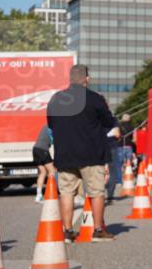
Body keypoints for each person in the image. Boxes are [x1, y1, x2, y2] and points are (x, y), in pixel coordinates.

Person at [46, 64, 118, 242]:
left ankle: (68, 232)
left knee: (67, 193)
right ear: (87, 79)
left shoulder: (56, 99)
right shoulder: (95, 99)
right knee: (96, 192)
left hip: (65, 155)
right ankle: (98, 230)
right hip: (91, 154)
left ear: (70, 79)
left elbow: (51, 124)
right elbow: (109, 122)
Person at [32, 124, 56, 202]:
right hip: (43, 150)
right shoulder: (53, 127)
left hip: (35, 149)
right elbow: (54, 141)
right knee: (52, 171)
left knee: (43, 172)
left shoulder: (45, 126)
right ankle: (50, 193)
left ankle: (38, 195)